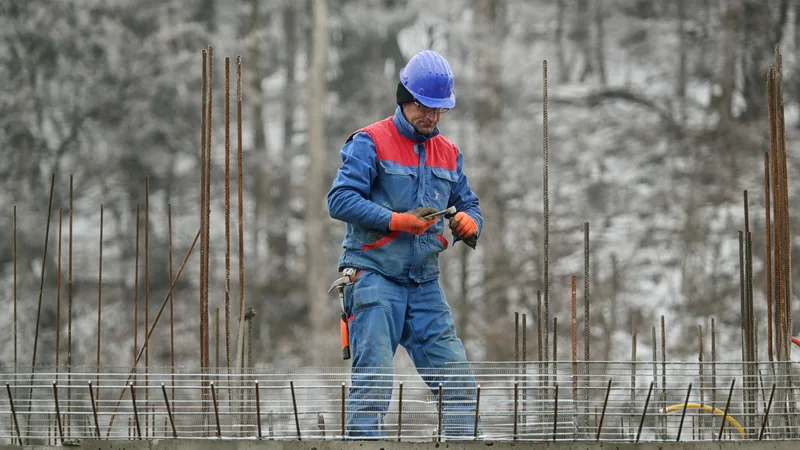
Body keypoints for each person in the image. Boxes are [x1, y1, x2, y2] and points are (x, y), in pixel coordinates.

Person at [327, 49, 483, 439]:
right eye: (425, 107)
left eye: (439, 110)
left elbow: (468, 203)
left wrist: (470, 222)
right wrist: (397, 221)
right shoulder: (370, 142)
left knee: (459, 386)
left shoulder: (448, 152)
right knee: (374, 386)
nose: (431, 116)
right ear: (405, 97)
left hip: (425, 282)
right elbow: (340, 200)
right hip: (375, 275)